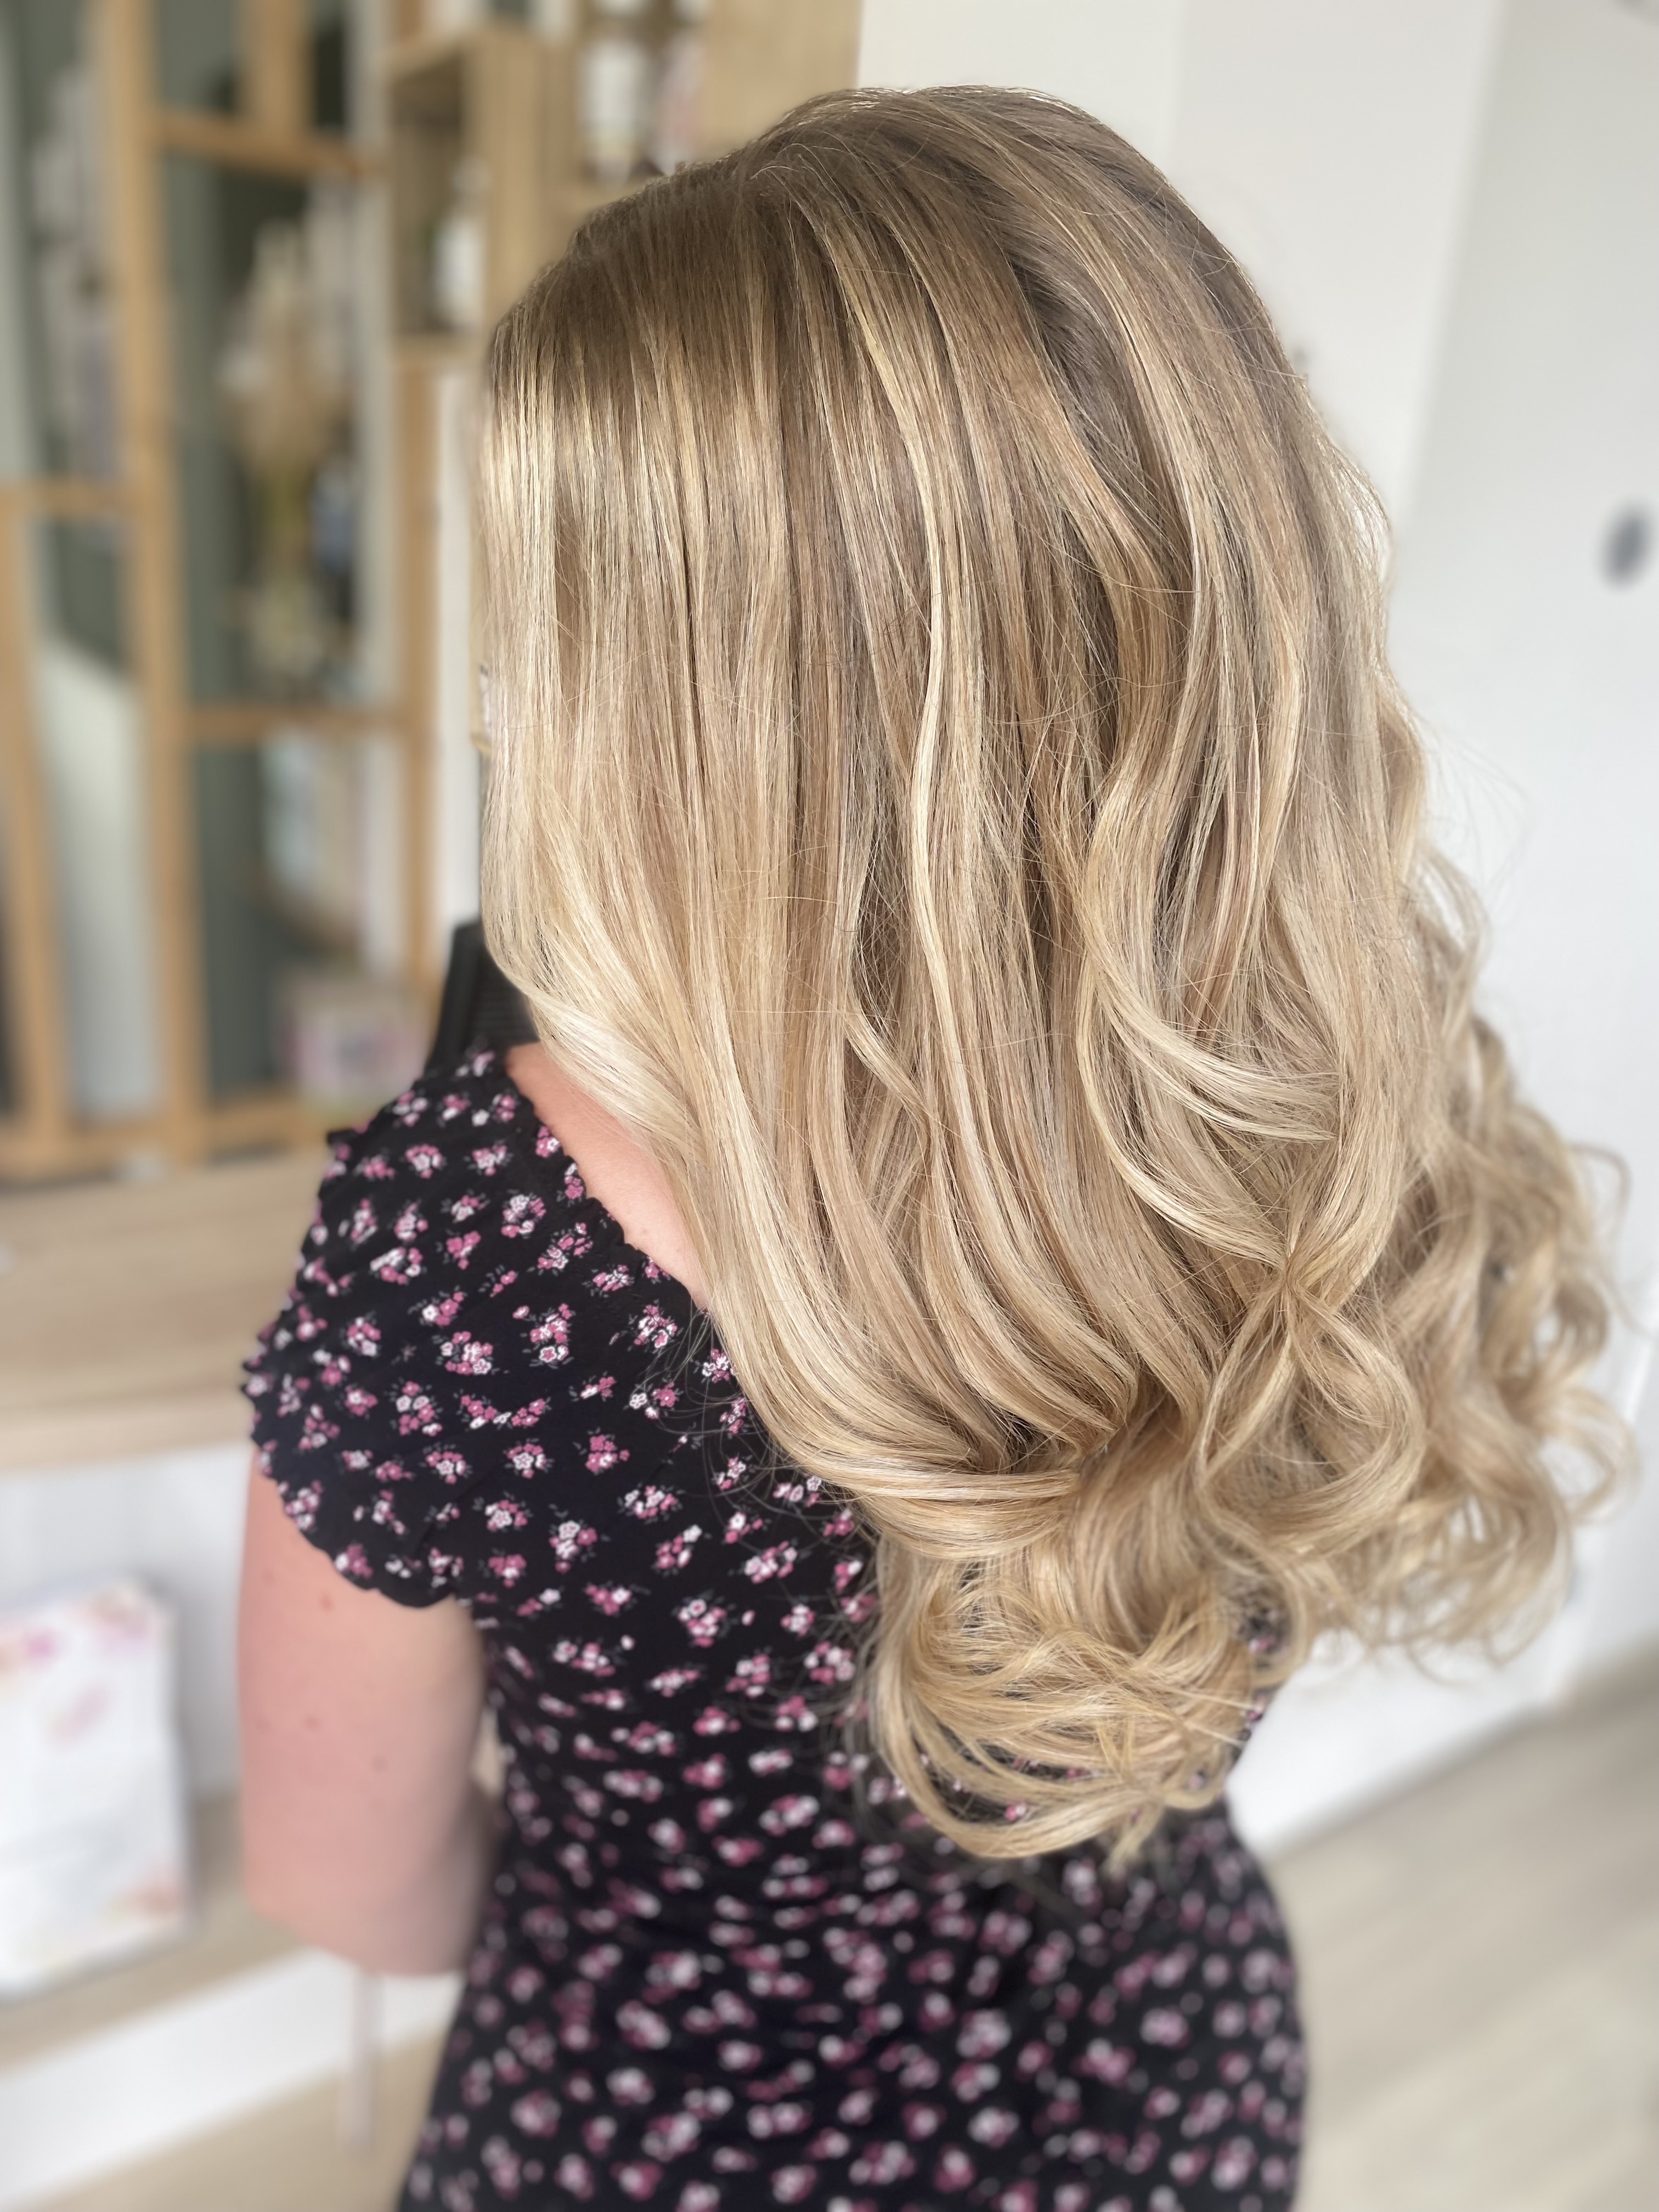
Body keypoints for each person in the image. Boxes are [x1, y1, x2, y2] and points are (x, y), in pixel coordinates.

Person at [236, 88, 1624, 2212]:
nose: (512, 696)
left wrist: (674, 1943)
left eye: (548, 630)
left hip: (664, 2144)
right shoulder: (1331, 1080)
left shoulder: (475, 1262)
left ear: (670, 710)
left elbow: (353, 1887)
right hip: (1157, 2102)